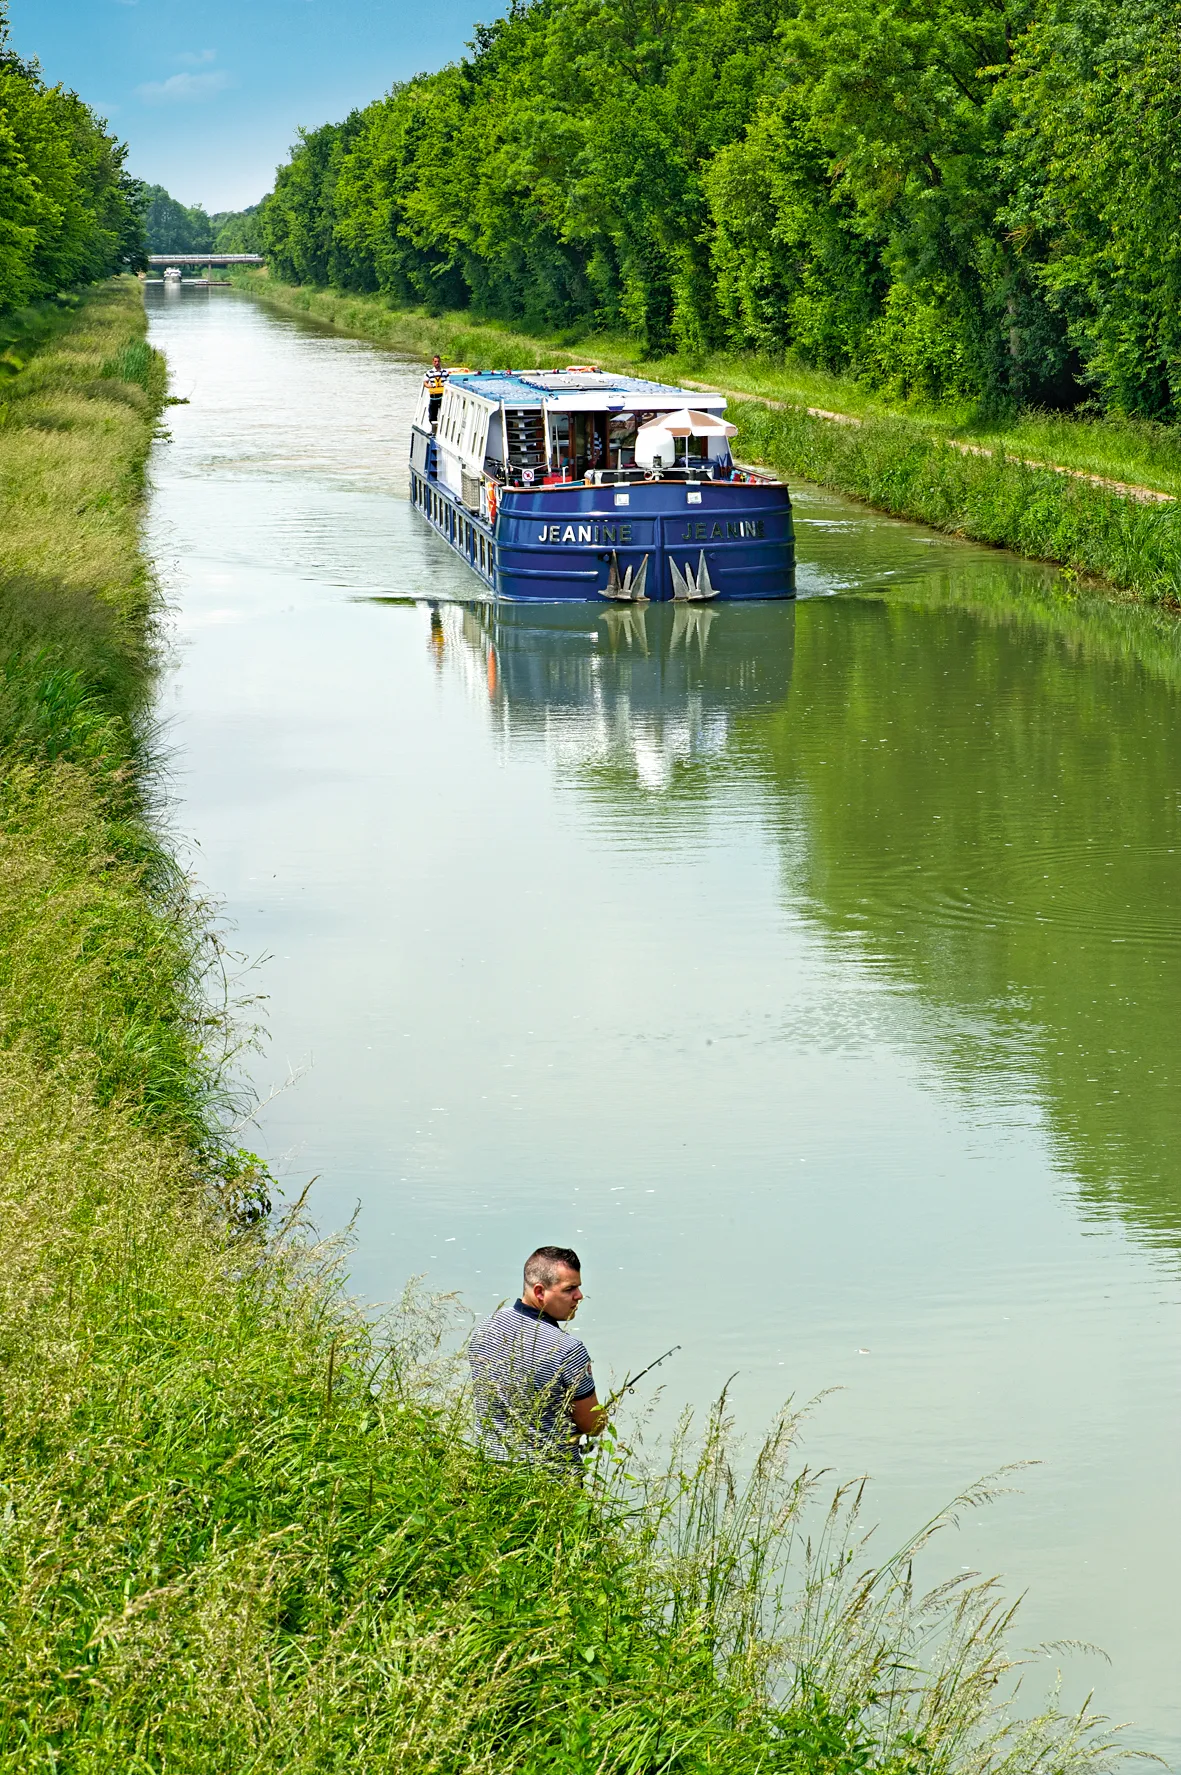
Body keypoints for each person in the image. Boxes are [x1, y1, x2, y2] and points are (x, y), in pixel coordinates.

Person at [469, 1245, 608, 1469]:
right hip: (548, 1478)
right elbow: (591, 1424)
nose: (579, 1296)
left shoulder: (484, 1329)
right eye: (569, 1289)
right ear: (540, 1292)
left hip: (488, 1470)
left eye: (579, 1288)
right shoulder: (568, 1350)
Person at [426, 355, 445, 426]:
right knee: (432, 413)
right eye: (435, 361)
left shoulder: (445, 372)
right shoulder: (429, 372)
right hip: (433, 396)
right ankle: (433, 428)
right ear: (433, 362)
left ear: (440, 362)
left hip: (442, 396)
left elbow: (448, 382)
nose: (437, 363)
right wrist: (429, 386)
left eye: (438, 361)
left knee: (443, 412)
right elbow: (425, 382)